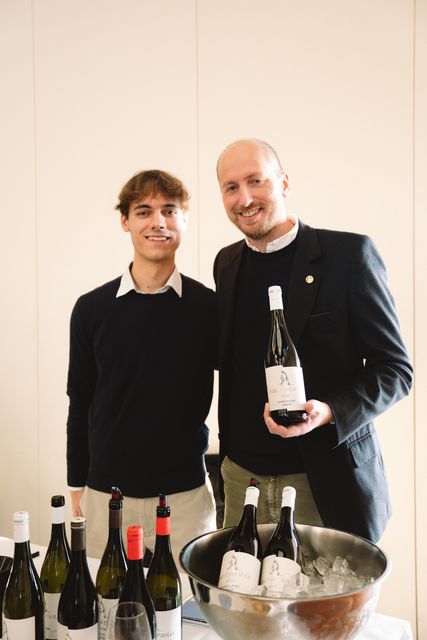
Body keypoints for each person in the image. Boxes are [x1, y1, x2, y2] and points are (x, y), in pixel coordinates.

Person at [214, 138, 413, 542]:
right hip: (241, 481)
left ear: (284, 183)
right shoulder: (226, 262)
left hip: (324, 484)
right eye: (231, 187)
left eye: (256, 181)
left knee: (324, 589)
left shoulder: (349, 255)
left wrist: (328, 411)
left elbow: (395, 371)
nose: (245, 198)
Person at [66, 169, 217, 559]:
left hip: (185, 498)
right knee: (102, 596)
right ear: (125, 221)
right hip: (106, 495)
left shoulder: (209, 308)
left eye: (169, 210)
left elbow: (241, 390)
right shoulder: (91, 309)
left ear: (184, 219)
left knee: (187, 600)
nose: (158, 222)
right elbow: (80, 400)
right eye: (144, 212)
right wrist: (76, 482)